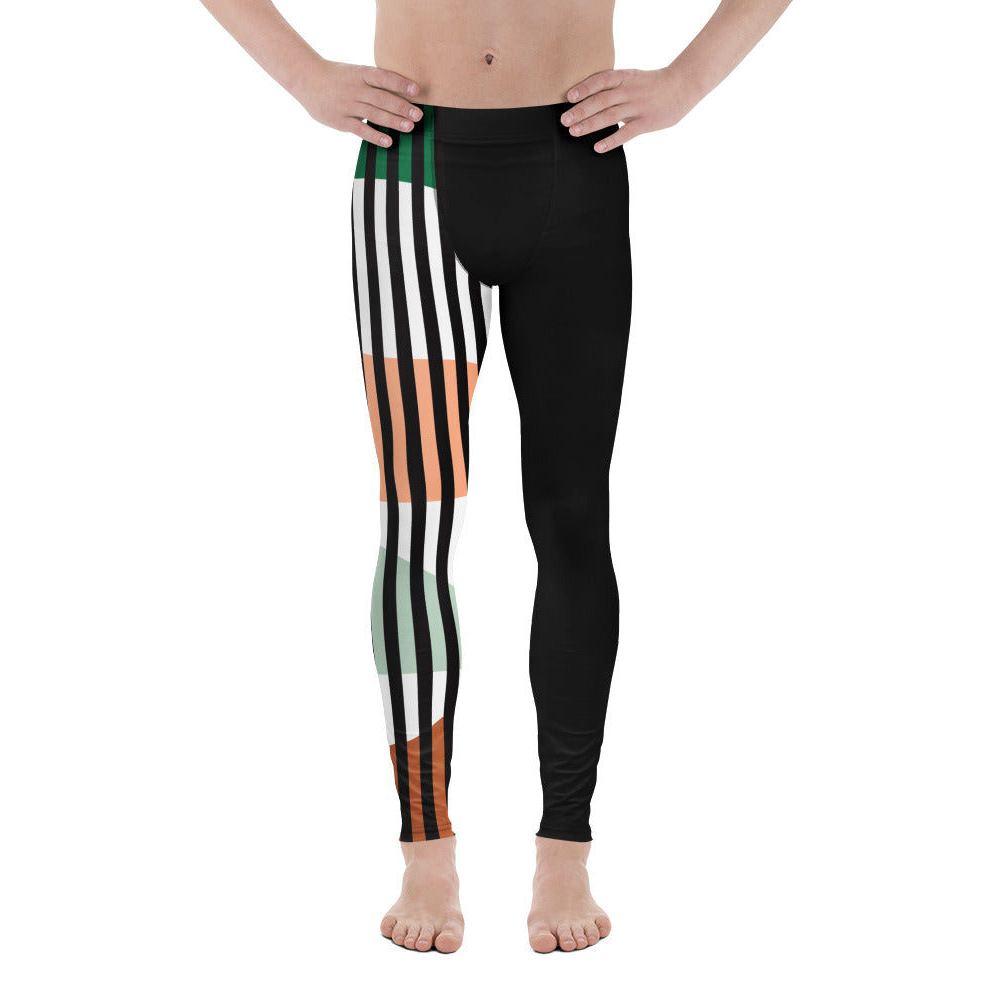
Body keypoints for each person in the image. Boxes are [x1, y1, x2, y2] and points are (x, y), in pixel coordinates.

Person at [198, 0, 794, 954]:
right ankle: (425, 848)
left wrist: (686, 82)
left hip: (575, 163)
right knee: (418, 525)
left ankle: (566, 844)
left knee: (572, 521)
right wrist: (305, 75)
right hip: (409, 177)